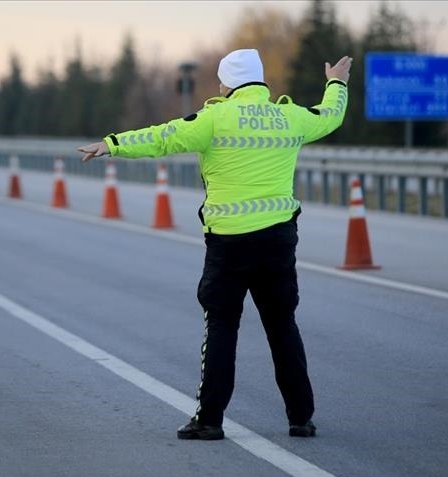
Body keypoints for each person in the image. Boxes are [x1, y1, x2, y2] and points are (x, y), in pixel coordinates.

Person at [78, 49, 350, 440]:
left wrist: (112, 144)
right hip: (277, 239)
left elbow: (163, 137)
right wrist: (336, 82)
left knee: (222, 326)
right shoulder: (289, 116)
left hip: (229, 243)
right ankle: (300, 418)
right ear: (259, 81)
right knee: (281, 326)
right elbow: (330, 116)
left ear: (227, 84)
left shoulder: (214, 118)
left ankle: (209, 420)